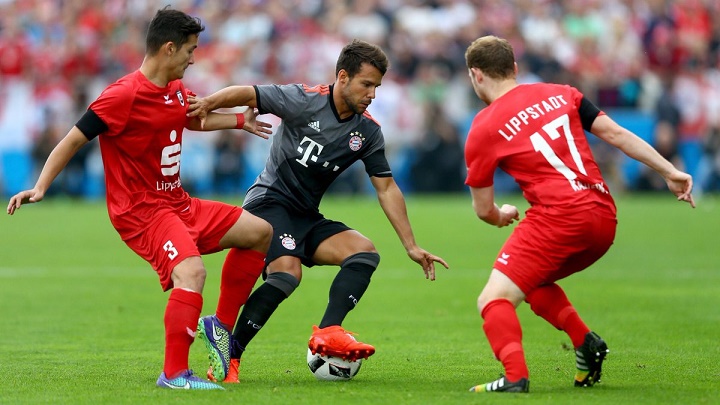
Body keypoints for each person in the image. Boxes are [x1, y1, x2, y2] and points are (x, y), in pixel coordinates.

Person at [6, 7, 274, 390]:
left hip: (179, 204)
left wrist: (237, 120)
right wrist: (41, 185)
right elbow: (74, 137)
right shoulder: (122, 95)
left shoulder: (176, 90)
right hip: (142, 212)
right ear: (169, 48)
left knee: (259, 232)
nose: (193, 58)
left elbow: (192, 117)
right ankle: (175, 374)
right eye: (190, 50)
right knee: (192, 272)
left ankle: (220, 329)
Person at [188, 39, 449, 383]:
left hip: (305, 214)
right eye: (366, 84)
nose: (372, 94)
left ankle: (328, 330)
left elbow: (386, 186)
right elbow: (248, 92)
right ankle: (231, 356)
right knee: (287, 274)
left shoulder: (367, 132)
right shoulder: (304, 100)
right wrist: (208, 102)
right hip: (268, 204)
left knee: (364, 253)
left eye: (377, 87)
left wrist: (411, 245)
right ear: (343, 77)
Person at [462, 35, 695, 393]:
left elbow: (483, 210)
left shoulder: (484, 126)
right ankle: (585, 342)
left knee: (493, 299)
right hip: (602, 217)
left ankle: (514, 379)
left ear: (476, 75)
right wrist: (669, 171)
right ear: (515, 68)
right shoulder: (561, 93)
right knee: (531, 283)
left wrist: (502, 213)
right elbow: (615, 134)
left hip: (558, 218)